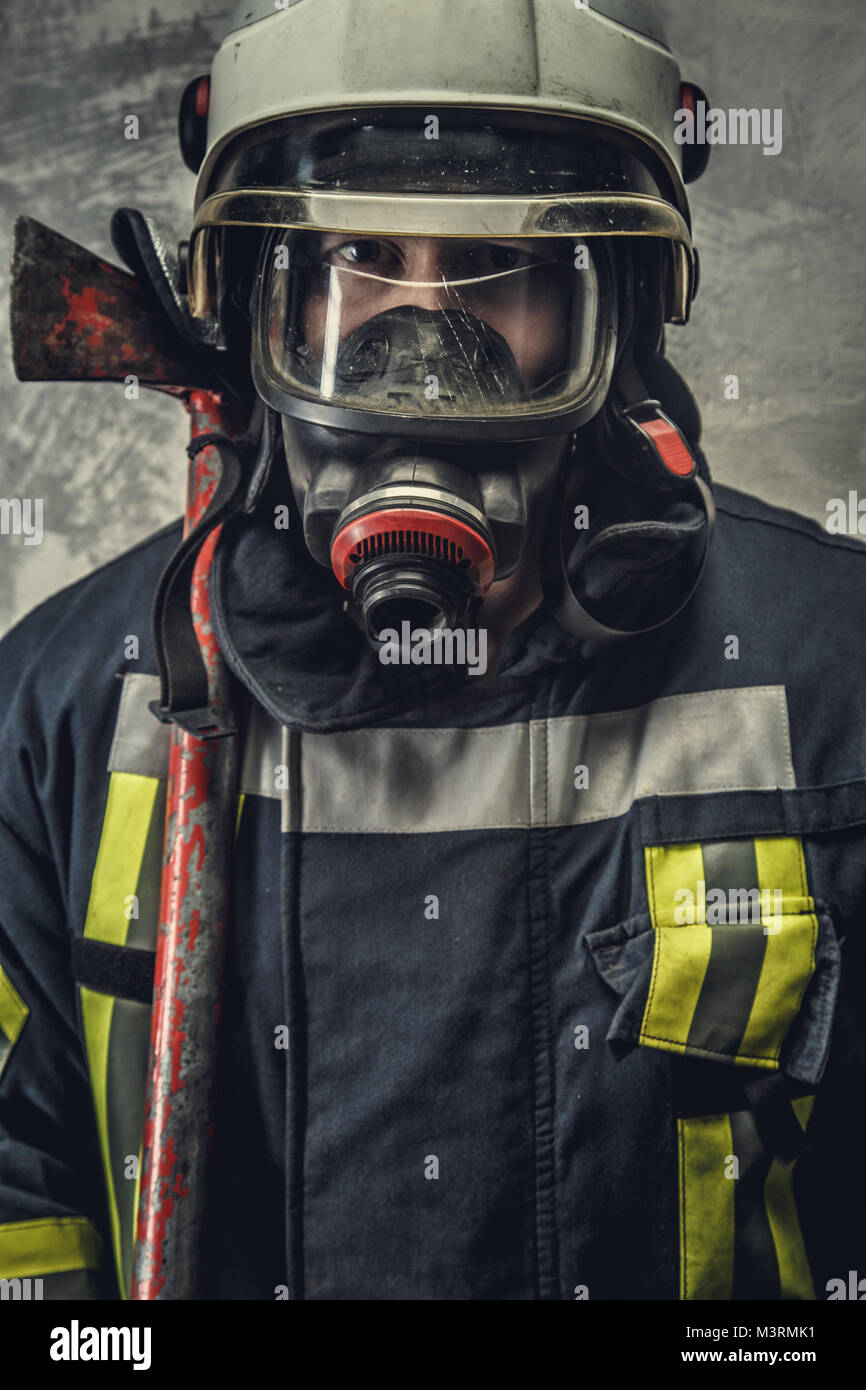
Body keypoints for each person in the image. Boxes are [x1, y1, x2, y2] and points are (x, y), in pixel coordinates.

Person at [1, 0, 864, 1303]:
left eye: (495, 279)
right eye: (356, 260)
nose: (415, 358)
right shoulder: (66, 713)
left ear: (618, 324)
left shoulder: (827, 676)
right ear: (247, 315)